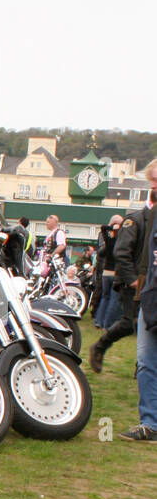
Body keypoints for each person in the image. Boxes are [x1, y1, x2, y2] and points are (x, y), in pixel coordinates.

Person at [91, 160, 157, 373]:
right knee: (130, 323)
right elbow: (122, 252)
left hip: (149, 281)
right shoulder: (135, 220)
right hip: (134, 283)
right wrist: (133, 280)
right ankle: (100, 345)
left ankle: (143, 368)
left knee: (147, 326)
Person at [126, 171, 157, 441]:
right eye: (151, 181)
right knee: (146, 362)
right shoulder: (150, 215)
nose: (153, 187)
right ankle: (150, 423)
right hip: (150, 296)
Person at [93, 215, 124, 328]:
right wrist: (120, 226)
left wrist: (111, 226)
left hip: (106, 272)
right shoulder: (121, 242)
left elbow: (103, 228)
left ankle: (98, 321)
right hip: (116, 273)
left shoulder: (109, 241)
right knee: (113, 299)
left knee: (104, 297)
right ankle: (108, 323)